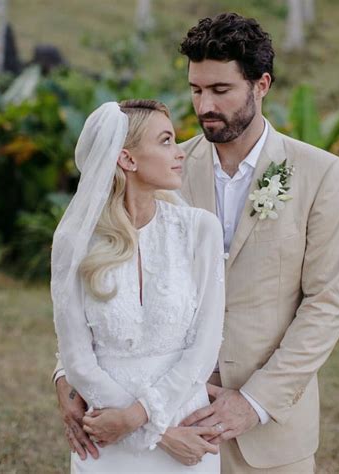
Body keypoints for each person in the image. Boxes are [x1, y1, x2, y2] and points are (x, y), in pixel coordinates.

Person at [55, 12, 339, 473]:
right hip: (168, 423)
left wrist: (253, 401)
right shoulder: (166, 167)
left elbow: (326, 303)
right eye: (196, 90)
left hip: (269, 432)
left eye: (221, 91)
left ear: (261, 85)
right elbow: (104, 283)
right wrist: (65, 378)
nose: (204, 106)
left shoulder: (321, 175)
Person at [51, 99, 225, 473]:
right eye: (165, 141)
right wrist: (153, 432)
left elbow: (205, 347)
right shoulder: (75, 242)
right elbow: (77, 359)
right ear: (127, 159)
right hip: (106, 439)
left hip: (186, 426)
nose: (179, 153)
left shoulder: (199, 230)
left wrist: (140, 417)